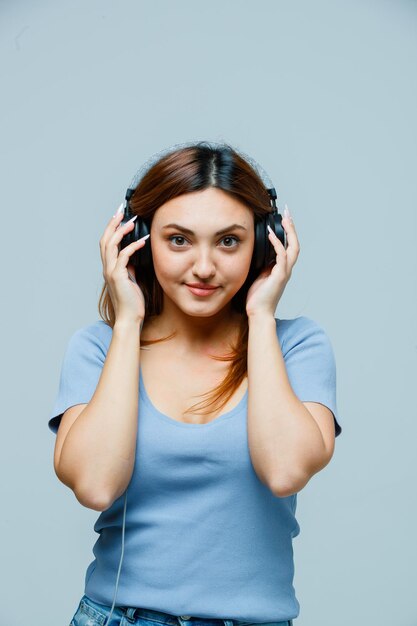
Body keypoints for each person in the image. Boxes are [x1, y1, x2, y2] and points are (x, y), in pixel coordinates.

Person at [48, 141, 341, 626]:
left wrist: (261, 316)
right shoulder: (97, 350)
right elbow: (97, 485)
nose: (204, 267)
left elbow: (286, 471)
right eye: (178, 240)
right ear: (138, 239)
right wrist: (127, 323)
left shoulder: (297, 347)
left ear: (265, 244)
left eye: (228, 241)